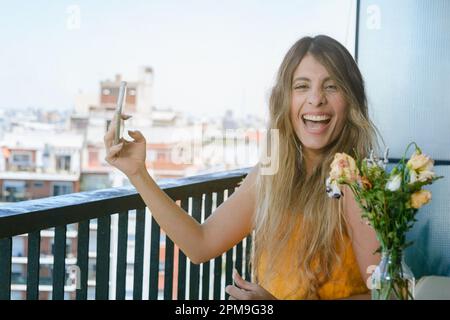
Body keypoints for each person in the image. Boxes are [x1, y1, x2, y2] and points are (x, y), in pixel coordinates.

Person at [103, 35, 381, 300]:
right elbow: (200, 244)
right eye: (302, 86)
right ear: (285, 100)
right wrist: (138, 173)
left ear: (351, 101)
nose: (316, 98)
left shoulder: (354, 183)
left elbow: (386, 294)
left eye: (331, 86)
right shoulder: (272, 174)